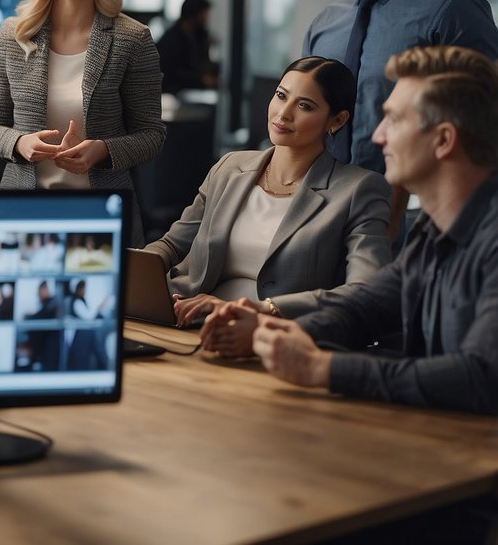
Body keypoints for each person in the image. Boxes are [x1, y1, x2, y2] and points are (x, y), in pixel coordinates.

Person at [204, 46, 498, 416]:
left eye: (394, 120)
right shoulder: (433, 230)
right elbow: (365, 307)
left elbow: (482, 378)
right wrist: (270, 331)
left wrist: (322, 368)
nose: (378, 136)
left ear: (442, 140)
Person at [301, 0, 498, 234]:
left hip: (413, 230)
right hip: (318, 225)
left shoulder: (453, 10)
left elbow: (484, 130)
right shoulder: (326, 24)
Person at [146, 57, 390, 328]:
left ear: (337, 120)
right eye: (281, 96)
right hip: (185, 321)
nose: (283, 113)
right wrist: (131, 272)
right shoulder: (230, 167)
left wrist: (265, 310)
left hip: (272, 338)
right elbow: (172, 245)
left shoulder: (359, 190)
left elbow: (365, 291)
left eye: (304, 106)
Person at [0, 0, 165, 246]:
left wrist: (103, 150)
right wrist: (19, 143)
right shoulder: (13, 34)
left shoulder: (133, 38)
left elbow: (151, 134)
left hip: (102, 214)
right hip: (23, 213)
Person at [155, 0, 217, 94]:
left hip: (192, 90)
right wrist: (201, 79)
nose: (207, 17)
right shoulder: (171, 39)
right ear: (195, 14)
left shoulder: (198, 35)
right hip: (175, 91)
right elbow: (172, 72)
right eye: (204, 13)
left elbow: (202, 64)